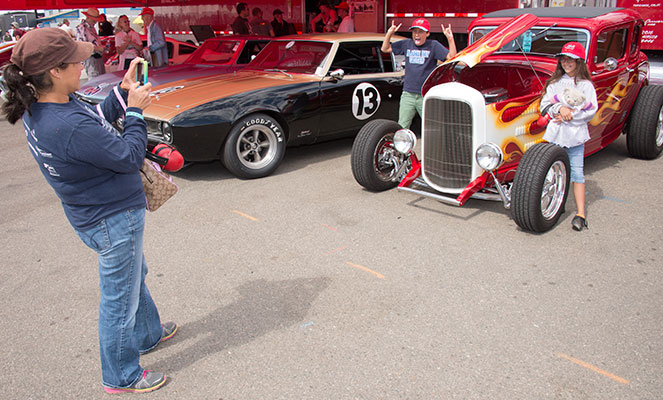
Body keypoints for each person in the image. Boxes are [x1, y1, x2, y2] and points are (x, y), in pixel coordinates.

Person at [1, 27, 177, 394]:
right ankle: (121, 375)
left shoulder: (47, 106)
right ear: (54, 71)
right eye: (76, 61)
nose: (84, 64)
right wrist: (136, 111)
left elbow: (95, 119)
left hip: (93, 214)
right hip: (113, 218)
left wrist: (122, 92)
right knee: (119, 300)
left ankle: (147, 333)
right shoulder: (65, 124)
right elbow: (128, 157)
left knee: (132, 275)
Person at [540, 42, 597, 231]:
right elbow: (545, 104)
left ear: (579, 61)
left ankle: (581, 214)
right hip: (555, 134)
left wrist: (571, 115)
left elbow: (591, 110)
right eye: (563, 59)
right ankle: (555, 205)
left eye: (570, 59)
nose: (566, 62)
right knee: (551, 172)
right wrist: (559, 109)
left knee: (577, 173)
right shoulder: (555, 83)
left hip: (575, 135)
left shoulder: (586, 85)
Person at [381, 18, 457, 129]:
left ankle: (431, 146)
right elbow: (385, 48)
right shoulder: (407, 44)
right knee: (402, 127)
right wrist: (389, 33)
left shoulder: (433, 45)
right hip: (408, 94)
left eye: (420, 31)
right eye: (414, 31)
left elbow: (452, 57)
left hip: (425, 94)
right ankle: (403, 146)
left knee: (432, 127)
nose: (417, 34)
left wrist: (450, 39)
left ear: (427, 33)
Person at [76, 7, 106, 78]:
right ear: (89, 18)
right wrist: (97, 48)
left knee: (101, 80)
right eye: (94, 20)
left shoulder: (91, 28)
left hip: (98, 58)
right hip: (91, 58)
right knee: (94, 81)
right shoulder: (82, 28)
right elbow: (82, 46)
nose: (95, 22)